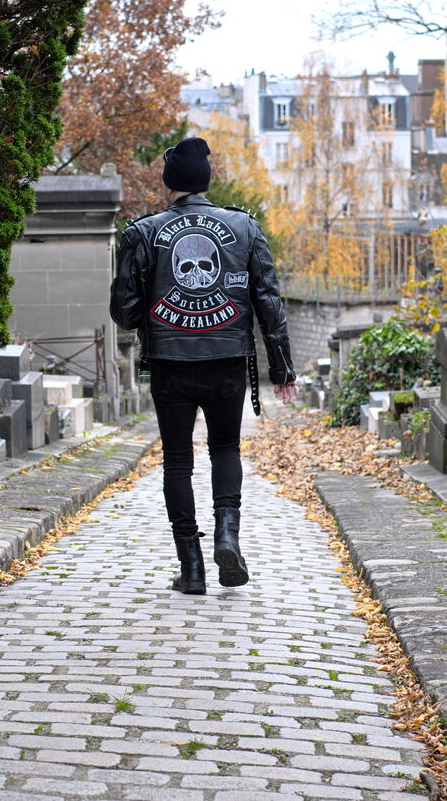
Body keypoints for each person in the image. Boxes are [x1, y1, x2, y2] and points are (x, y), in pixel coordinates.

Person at [110, 136, 298, 595]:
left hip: (170, 365)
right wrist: (282, 369)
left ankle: (191, 568)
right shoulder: (245, 227)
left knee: (177, 460)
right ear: (206, 182)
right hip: (228, 362)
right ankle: (227, 537)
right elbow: (268, 301)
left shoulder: (143, 232)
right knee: (225, 449)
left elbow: (125, 314)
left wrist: (148, 287)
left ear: (169, 183)